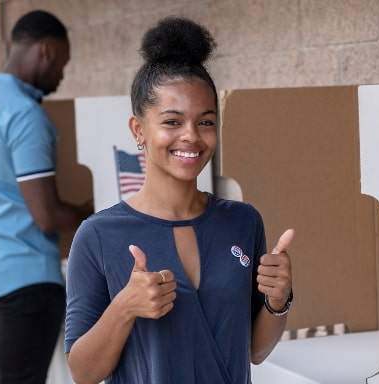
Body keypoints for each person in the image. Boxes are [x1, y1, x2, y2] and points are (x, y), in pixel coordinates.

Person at [64, 17, 295, 384]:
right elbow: (83, 372)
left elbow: (254, 350)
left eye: (205, 122)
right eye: (172, 122)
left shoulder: (243, 222)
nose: (191, 137)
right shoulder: (98, 235)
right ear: (138, 130)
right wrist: (124, 308)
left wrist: (278, 299)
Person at [0, 10, 91, 384]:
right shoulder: (25, 115)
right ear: (45, 51)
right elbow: (46, 215)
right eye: (61, 64)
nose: (61, 76)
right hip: (26, 277)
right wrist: (90, 216)